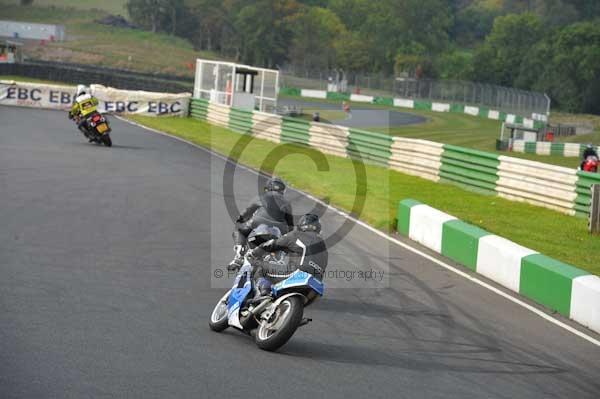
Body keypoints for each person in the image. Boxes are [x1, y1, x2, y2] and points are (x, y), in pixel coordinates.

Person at [251, 213, 328, 296]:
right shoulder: (324, 246)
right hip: (316, 283)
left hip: (297, 274)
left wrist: (254, 253)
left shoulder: (296, 235)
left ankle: (264, 291)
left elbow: (272, 244)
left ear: (302, 224)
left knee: (260, 267)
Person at [228, 177, 294, 269]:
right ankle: (280, 258)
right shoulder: (287, 203)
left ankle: (239, 256)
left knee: (239, 232)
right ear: (282, 190)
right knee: (286, 241)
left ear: (267, 188)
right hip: (279, 230)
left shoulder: (261, 197)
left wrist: (240, 219)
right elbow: (290, 225)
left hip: (258, 222)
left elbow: (247, 212)